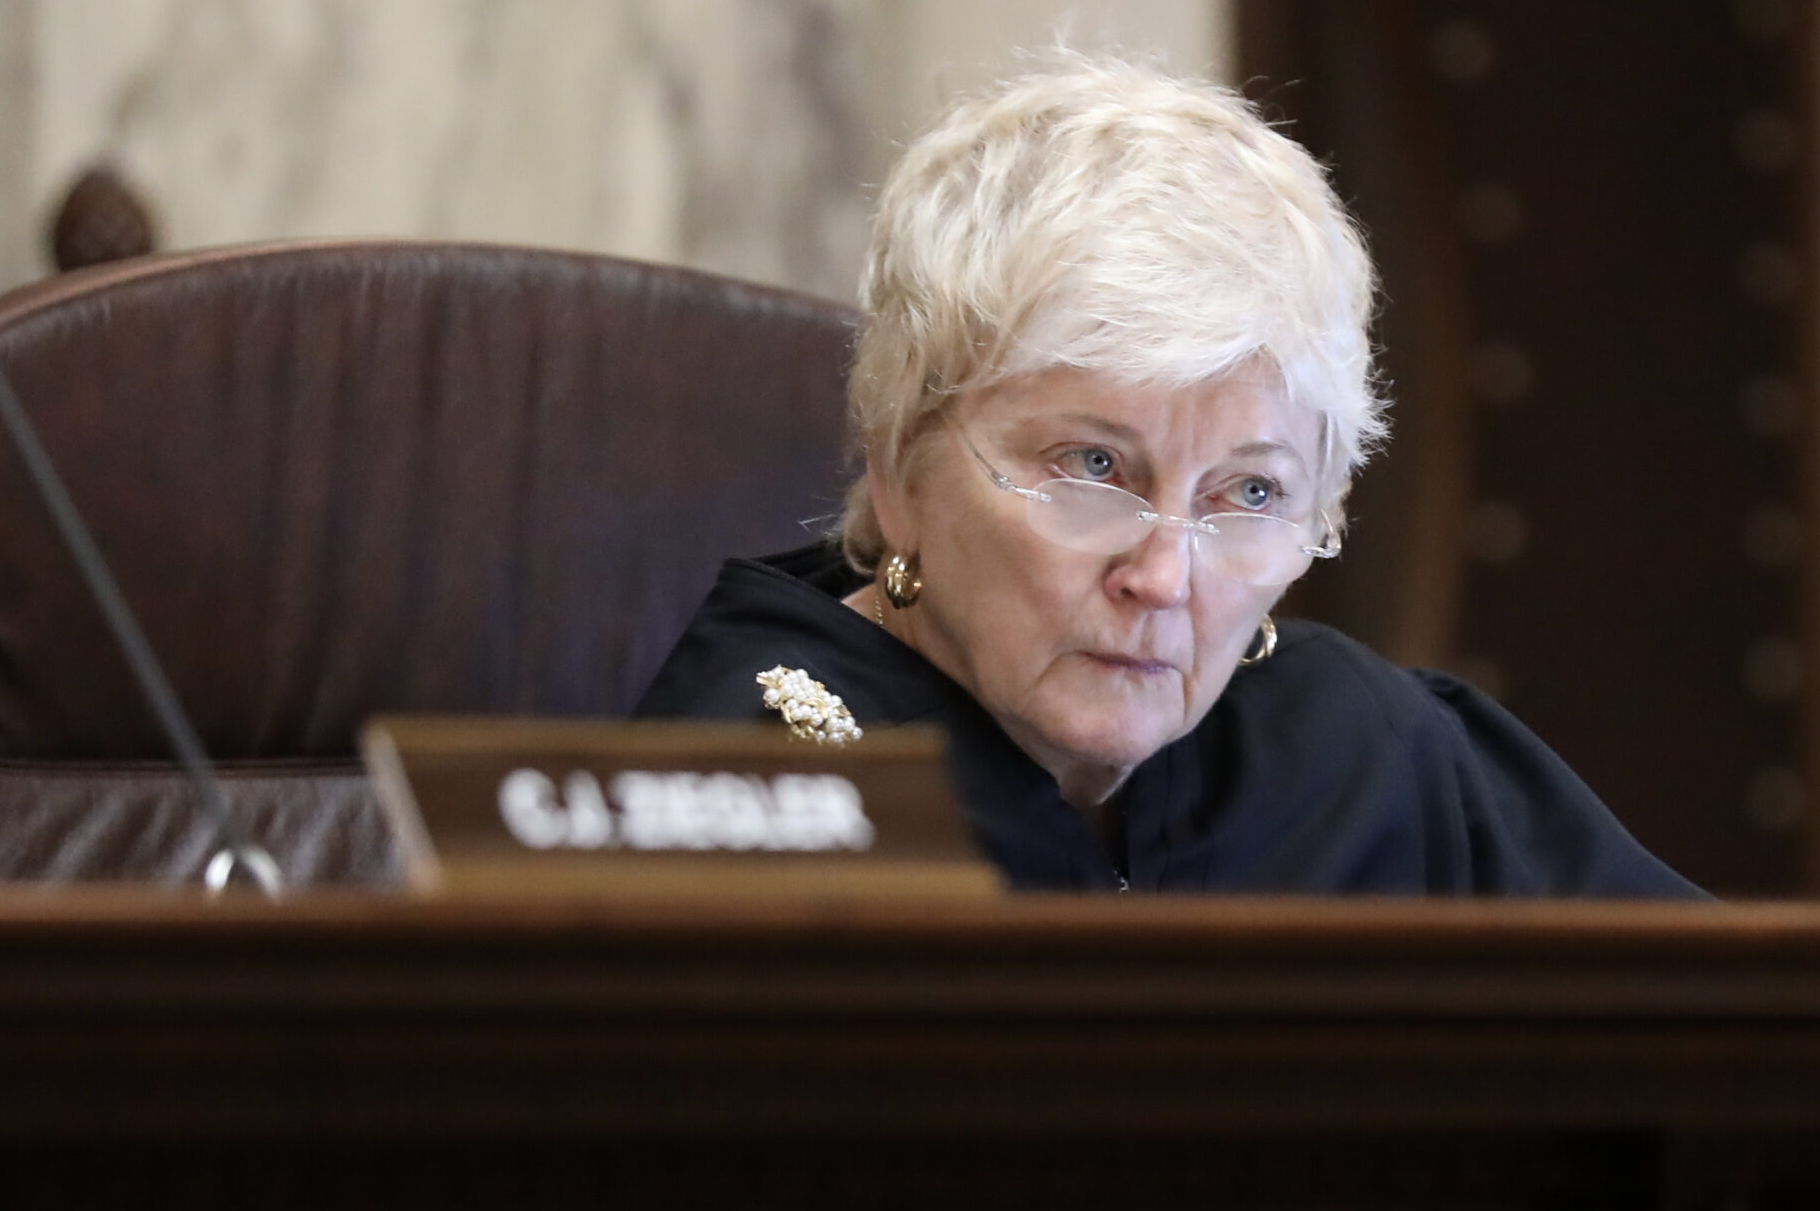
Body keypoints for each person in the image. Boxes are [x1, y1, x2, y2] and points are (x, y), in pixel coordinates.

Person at [638, 54, 1698, 898]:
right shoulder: (742, 791)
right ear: (900, 464)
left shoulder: (1371, 753)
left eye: (1248, 493)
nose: (1164, 575)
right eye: (1094, 466)